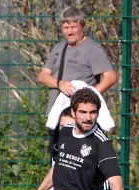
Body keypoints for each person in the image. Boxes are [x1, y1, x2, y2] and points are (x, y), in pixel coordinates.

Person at [38, 6, 117, 155]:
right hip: (58, 115)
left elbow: (110, 76)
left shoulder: (92, 49)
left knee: (80, 160)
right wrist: (59, 84)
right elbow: (43, 76)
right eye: (66, 27)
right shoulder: (58, 48)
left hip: (80, 117)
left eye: (73, 27)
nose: (69, 31)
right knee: (58, 160)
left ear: (82, 26)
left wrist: (89, 96)